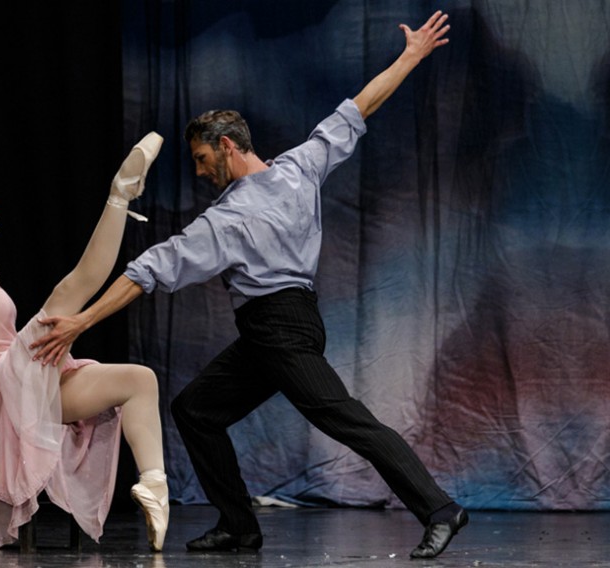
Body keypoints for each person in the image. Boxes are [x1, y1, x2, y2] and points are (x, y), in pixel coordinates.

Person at [30, 11, 466, 559]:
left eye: (202, 158)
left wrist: (80, 321)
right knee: (196, 409)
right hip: (283, 328)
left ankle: (440, 509)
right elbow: (359, 107)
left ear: (228, 145)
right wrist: (410, 57)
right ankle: (239, 526)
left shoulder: (227, 219)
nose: (200, 171)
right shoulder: (300, 167)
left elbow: (147, 271)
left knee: (346, 420)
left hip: (279, 332)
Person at [0, 132, 169, 551]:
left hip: (25, 384)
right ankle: (119, 195)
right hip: (2, 385)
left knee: (140, 380)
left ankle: (155, 485)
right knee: (69, 294)